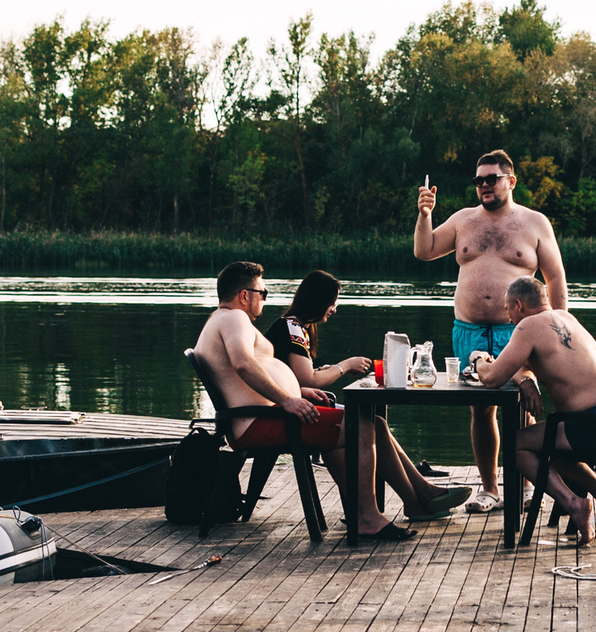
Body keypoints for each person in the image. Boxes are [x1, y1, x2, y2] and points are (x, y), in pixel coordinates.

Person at [192, 261, 437, 542]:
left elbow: (245, 374)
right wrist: (287, 400)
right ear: (244, 295)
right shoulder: (233, 318)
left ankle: (366, 509)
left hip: (264, 417)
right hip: (262, 422)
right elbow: (243, 364)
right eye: (263, 291)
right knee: (362, 425)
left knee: (361, 421)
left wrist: (298, 392)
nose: (265, 297)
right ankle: (367, 518)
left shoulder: (221, 320)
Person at [414, 149, 568, 514]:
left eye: (491, 179)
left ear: (510, 182)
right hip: (468, 330)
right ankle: (490, 489)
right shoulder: (463, 220)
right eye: (478, 180)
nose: (483, 185)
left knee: (524, 406)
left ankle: (529, 489)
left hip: (519, 330)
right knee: (481, 411)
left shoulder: (534, 223)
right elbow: (424, 251)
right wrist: (425, 215)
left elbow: (556, 276)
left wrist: (558, 326)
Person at [266, 269, 471, 520]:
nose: (335, 308)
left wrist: (324, 371)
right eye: (333, 302)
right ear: (320, 300)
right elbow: (306, 379)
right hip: (286, 412)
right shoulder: (294, 327)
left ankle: (420, 493)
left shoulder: (295, 326)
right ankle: (419, 495)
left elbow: (296, 374)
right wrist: (345, 366)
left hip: (293, 405)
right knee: (368, 424)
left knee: (377, 423)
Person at [468, 275, 596, 544]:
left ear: (518, 305)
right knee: (547, 449)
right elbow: (524, 363)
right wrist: (526, 379)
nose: (508, 319)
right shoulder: (566, 318)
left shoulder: (529, 325)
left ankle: (573, 503)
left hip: (594, 423)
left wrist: (477, 359)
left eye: (508, 310)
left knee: (515, 444)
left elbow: (494, 377)